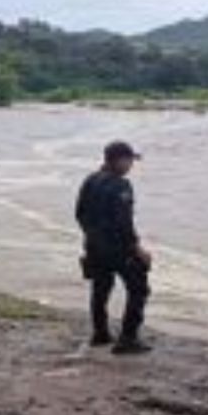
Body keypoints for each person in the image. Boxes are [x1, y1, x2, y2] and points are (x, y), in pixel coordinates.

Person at [75, 141, 152, 355]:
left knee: (100, 289)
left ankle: (100, 333)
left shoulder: (89, 180)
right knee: (139, 288)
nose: (131, 166)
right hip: (118, 248)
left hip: (93, 246)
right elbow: (123, 223)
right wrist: (138, 250)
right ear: (118, 160)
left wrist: (92, 236)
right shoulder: (121, 185)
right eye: (129, 160)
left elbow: (79, 214)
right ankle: (127, 339)